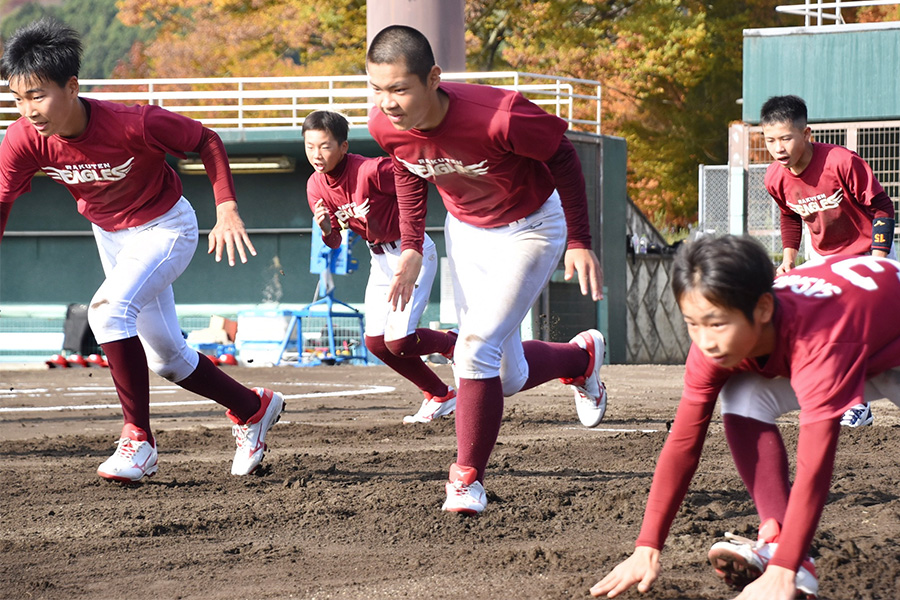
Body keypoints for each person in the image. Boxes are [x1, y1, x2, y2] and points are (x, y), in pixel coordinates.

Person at [0, 19, 284, 482]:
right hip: (110, 235)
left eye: (37, 94)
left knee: (107, 313)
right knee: (168, 358)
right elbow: (1, 203)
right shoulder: (22, 139)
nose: (27, 109)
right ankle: (253, 407)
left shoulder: (135, 122)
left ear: (71, 87)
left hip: (166, 227)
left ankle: (139, 440)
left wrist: (227, 208)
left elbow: (207, 141)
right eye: (17, 97)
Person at [366, 25, 608, 514]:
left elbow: (564, 156)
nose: (387, 102)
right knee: (506, 376)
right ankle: (579, 359)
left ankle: (466, 479)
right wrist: (412, 245)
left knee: (473, 350)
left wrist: (580, 240)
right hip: (468, 232)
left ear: (434, 78)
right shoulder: (384, 125)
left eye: (398, 88)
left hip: (532, 227)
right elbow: (407, 172)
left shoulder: (500, 114)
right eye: (376, 88)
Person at [590, 235, 900, 600]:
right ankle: (781, 540)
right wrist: (647, 545)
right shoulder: (717, 340)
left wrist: (782, 572)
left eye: (716, 324)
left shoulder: (818, 340)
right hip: (859, 332)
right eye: (693, 323)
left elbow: (815, 465)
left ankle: (787, 563)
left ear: (764, 309)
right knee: (742, 393)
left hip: (874, 338)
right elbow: (684, 443)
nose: (704, 340)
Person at [301, 109, 457, 424]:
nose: (317, 154)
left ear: (343, 146)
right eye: (310, 146)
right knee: (376, 343)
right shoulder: (316, 186)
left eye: (325, 146)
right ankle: (440, 394)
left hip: (411, 253)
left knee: (398, 341)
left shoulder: (370, 170)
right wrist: (326, 230)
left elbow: (412, 178)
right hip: (380, 259)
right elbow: (333, 242)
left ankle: (454, 344)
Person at [761, 94, 896, 427]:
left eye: (786, 138)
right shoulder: (774, 177)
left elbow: (882, 208)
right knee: (829, 330)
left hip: (870, 252)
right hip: (824, 259)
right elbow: (789, 215)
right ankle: (854, 402)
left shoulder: (840, 161)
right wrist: (790, 256)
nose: (778, 147)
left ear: (806, 135)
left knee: (882, 333)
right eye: (770, 140)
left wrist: (876, 263)